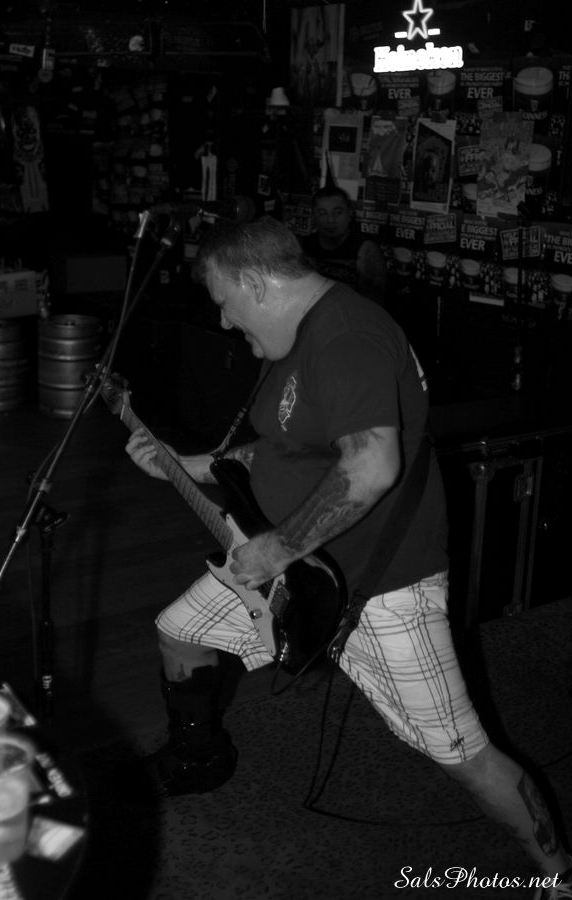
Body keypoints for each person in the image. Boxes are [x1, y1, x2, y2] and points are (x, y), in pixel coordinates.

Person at [125, 217, 571, 899]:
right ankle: (200, 758)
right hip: (294, 570)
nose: (223, 320)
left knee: (462, 753)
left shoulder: (347, 336)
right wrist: (186, 466)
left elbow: (370, 467)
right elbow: (278, 448)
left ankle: (558, 874)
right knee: (179, 629)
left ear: (255, 282)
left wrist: (278, 547)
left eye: (224, 301)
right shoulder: (295, 340)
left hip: (378, 586)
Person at [300, 185, 388, 303]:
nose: (330, 220)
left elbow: (373, 305)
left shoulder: (364, 250)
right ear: (313, 216)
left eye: (338, 212)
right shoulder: (304, 246)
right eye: (322, 213)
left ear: (349, 214)